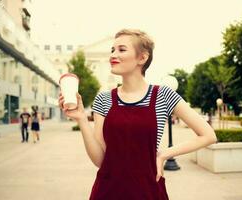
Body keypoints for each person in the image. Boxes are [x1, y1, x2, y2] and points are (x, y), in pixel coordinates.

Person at [58, 29, 217, 200]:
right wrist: (82, 119)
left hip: (148, 191)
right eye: (113, 50)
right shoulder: (104, 99)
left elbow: (208, 135)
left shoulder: (163, 95)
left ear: (142, 58)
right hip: (108, 191)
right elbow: (100, 160)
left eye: (122, 49)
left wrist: (164, 154)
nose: (113, 54)